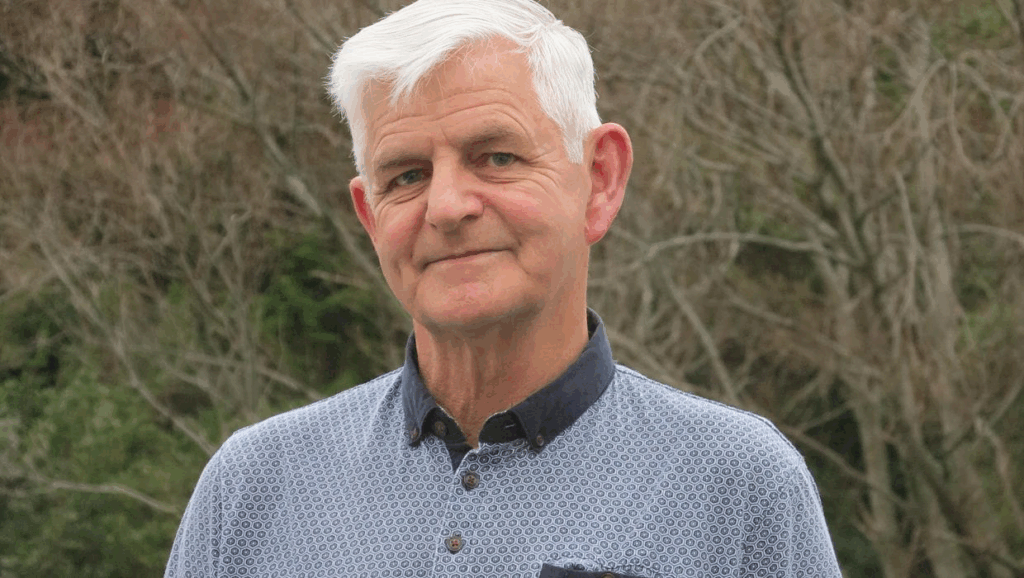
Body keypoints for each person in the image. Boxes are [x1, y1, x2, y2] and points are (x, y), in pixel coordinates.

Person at [163, 0, 843, 576]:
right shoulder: (252, 489)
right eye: (405, 175)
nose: (448, 205)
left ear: (600, 180)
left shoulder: (738, 486)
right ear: (370, 217)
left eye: (497, 157)